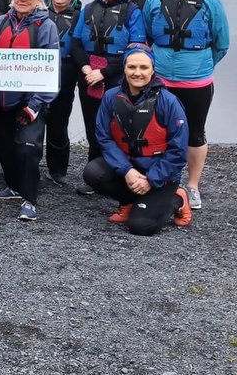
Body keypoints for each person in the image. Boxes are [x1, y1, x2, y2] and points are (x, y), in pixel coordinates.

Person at [142, 0, 230, 212]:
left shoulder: (211, 2)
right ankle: (160, 179)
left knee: (195, 132)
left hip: (196, 82)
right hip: (160, 80)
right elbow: (146, 35)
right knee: (157, 130)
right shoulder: (154, 0)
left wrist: (201, 65)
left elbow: (222, 43)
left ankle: (192, 185)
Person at [82, 43, 192, 236]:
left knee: (141, 226)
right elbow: (104, 138)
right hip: (130, 168)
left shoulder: (168, 102)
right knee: (93, 172)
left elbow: (178, 151)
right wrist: (126, 170)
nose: (137, 73)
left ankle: (178, 199)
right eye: (132, 67)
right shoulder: (111, 97)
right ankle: (128, 201)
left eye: (144, 67)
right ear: (124, 69)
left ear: (153, 70)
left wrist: (152, 179)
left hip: (160, 174)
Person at [0, 0, 60, 221]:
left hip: (30, 101)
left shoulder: (46, 27)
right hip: (1, 101)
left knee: (27, 149)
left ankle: (29, 199)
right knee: (6, 149)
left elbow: (51, 70)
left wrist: (35, 105)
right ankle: (14, 186)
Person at [72, 0, 146, 166]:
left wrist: (104, 72)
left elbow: (136, 50)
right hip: (88, 76)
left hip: (117, 78)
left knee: (116, 126)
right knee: (92, 126)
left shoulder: (132, 12)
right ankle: (94, 169)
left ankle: (120, 169)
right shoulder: (88, 10)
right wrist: (86, 68)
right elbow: (76, 43)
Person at [43, 0, 83, 187]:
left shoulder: (79, 16)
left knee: (58, 125)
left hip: (65, 77)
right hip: (38, 76)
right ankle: (27, 164)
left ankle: (57, 170)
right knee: (32, 123)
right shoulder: (39, 11)